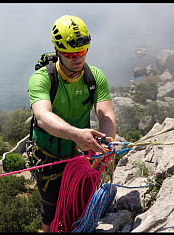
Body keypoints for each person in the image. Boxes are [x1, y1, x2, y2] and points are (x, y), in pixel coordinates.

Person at [27, 15, 116, 232]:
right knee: (50, 210)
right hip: (49, 157)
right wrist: (76, 134)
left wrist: (106, 142)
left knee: (81, 200)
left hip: (80, 154)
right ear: (57, 50)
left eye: (82, 51)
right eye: (70, 53)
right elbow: (43, 116)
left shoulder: (94, 77)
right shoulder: (42, 79)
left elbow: (106, 115)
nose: (77, 58)